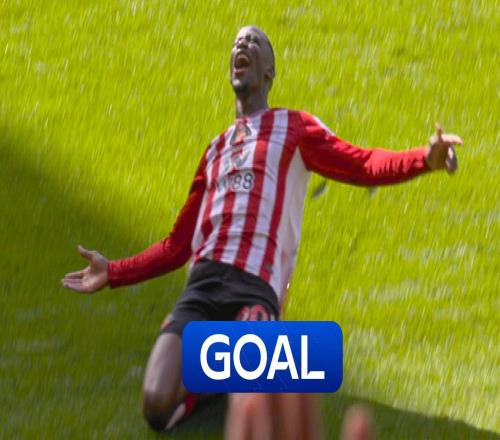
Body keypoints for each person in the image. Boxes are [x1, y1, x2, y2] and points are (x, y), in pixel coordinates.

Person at [61, 25, 463, 436]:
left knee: (253, 407)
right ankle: (209, 379)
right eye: (237, 42)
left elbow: (361, 163)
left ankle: (231, 364)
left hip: (253, 290)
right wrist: (113, 271)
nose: (242, 45)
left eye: (253, 42)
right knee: (155, 406)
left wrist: (424, 158)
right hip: (201, 289)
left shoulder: (294, 127)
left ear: (269, 72)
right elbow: (177, 244)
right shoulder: (215, 150)